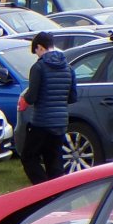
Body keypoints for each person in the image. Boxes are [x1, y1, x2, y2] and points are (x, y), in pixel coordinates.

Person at [18, 31, 78, 184]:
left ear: (40, 47)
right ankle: (58, 193)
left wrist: (24, 99)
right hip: (61, 122)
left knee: (29, 157)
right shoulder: (68, 68)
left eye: (36, 52)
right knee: (54, 161)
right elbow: (72, 97)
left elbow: (32, 97)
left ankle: (43, 188)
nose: (37, 55)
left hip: (42, 121)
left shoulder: (39, 67)